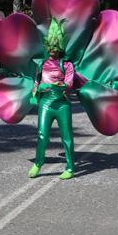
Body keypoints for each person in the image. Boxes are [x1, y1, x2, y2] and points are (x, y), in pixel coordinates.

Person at [28, 19, 77, 180]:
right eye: (50, 46)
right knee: (42, 135)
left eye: (55, 47)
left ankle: (70, 167)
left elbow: (69, 83)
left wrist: (59, 86)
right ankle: (38, 163)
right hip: (46, 104)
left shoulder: (67, 65)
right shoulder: (41, 64)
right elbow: (36, 84)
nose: (52, 50)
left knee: (67, 136)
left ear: (61, 47)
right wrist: (39, 88)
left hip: (62, 104)